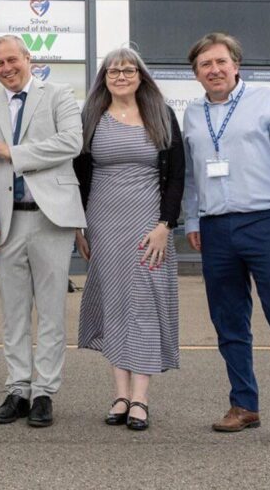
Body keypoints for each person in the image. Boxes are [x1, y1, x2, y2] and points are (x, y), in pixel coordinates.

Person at [182, 32, 270, 447]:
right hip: (216, 228)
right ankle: (244, 405)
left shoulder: (266, 100)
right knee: (229, 322)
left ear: (236, 64)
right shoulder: (192, 114)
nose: (214, 70)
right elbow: (192, 174)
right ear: (196, 74)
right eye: (205, 65)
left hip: (268, 223)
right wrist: (193, 219)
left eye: (221, 62)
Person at [0, 35, 85, 428]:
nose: (6, 68)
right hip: (8, 223)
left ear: (28, 58)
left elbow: (72, 142)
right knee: (13, 313)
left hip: (51, 218)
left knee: (52, 311)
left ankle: (44, 393)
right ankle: (18, 388)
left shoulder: (59, 96)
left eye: (11, 60)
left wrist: (14, 152)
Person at [73, 47, 184, 431]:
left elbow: (178, 177)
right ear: (104, 78)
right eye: (113, 71)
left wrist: (164, 224)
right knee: (115, 302)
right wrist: (78, 226)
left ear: (141, 75)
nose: (121, 76)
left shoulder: (161, 115)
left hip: (148, 225)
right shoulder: (90, 117)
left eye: (128, 69)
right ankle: (120, 395)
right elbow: (80, 175)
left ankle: (141, 398)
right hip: (103, 222)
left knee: (144, 304)